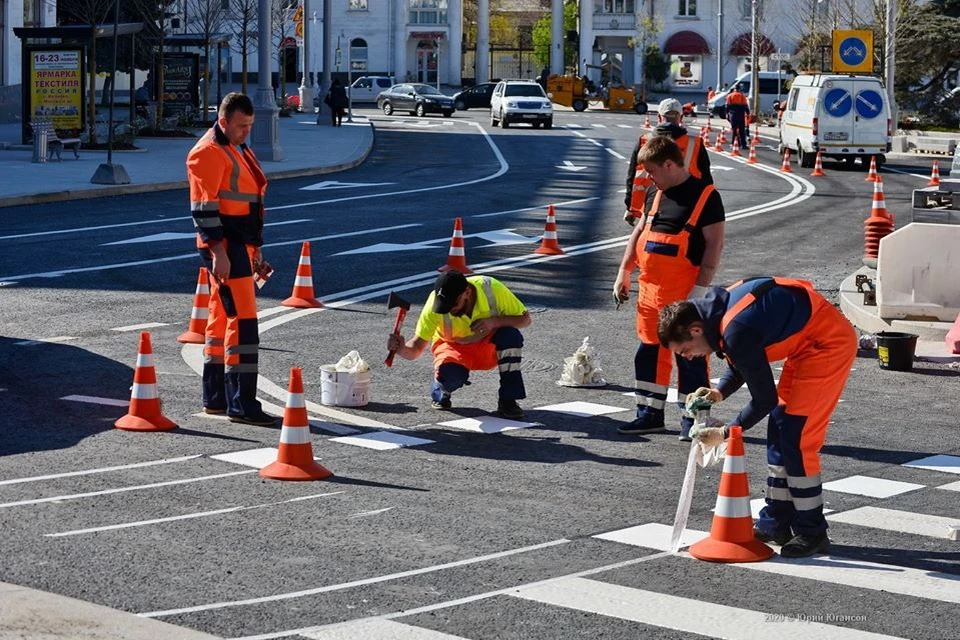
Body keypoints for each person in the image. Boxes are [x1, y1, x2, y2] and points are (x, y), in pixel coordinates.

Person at [657, 277, 857, 557]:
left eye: (685, 351)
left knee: (796, 439)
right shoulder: (717, 314)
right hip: (807, 345)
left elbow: (764, 398)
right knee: (779, 431)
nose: (689, 358)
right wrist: (719, 392)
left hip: (827, 345)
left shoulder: (734, 327)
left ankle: (812, 531)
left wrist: (726, 433)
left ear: (695, 329)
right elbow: (743, 359)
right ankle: (775, 522)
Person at [613, 136, 725, 440]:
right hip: (649, 293)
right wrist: (624, 271)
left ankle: (693, 421)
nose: (649, 178)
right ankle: (649, 414)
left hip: (684, 295)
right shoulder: (655, 193)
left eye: (652, 171)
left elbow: (714, 245)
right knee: (647, 354)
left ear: (669, 164)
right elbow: (638, 232)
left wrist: (700, 291)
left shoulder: (705, 196)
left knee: (690, 358)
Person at [186, 92, 276, 427]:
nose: (246, 132)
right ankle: (242, 403)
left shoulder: (233, 147)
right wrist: (219, 253)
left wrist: (256, 248)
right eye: (241, 126)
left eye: (250, 126)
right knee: (244, 320)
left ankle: (216, 399)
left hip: (238, 244)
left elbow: (245, 202)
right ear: (223, 121)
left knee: (222, 317)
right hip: (225, 245)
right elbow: (203, 209)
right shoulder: (207, 153)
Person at [387, 270, 531, 419]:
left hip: (488, 345)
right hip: (453, 349)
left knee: (510, 336)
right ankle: (440, 390)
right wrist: (401, 348)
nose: (449, 308)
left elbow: (525, 319)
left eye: (454, 303)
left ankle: (508, 401)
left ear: (467, 292)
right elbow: (416, 348)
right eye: (444, 305)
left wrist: (494, 322)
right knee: (452, 377)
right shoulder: (434, 304)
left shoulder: (490, 288)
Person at [623, 97, 713, 227]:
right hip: (687, 204)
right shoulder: (695, 143)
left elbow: (631, 176)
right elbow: (706, 178)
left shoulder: (644, 141)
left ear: (659, 117)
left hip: (651, 205)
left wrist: (630, 207)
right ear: (680, 118)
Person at [725, 83, 750, 148]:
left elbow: (727, 106)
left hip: (733, 115)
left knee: (734, 130)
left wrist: (727, 114)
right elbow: (745, 106)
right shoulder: (742, 96)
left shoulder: (729, 96)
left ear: (734, 89)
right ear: (739, 89)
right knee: (742, 130)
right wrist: (748, 114)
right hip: (741, 115)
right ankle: (743, 145)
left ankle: (734, 143)